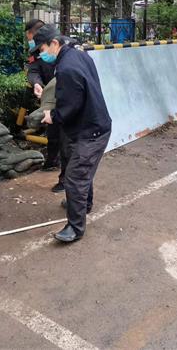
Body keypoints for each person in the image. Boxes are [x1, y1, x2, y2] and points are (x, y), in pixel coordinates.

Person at [38, 27, 111, 243]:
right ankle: (83, 204)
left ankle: (75, 227)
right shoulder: (78, 54)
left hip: (91, 130)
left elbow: (70, 106)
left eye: (42, 49)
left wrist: (52, 116)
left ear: (54, 43)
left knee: (75, 177)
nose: (42, 54)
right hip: (90, 123)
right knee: (80, 170)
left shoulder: (66, 68)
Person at [25, 20, 64, 192]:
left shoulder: (65, 52)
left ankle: (65, 179)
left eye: (30, 37)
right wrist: (36, 83)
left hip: (64, 97)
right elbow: (33, 70)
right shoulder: (37, 52)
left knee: (67, 138)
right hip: (49, 99)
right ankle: (53, 161)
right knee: (53, 131)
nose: (30, 42)